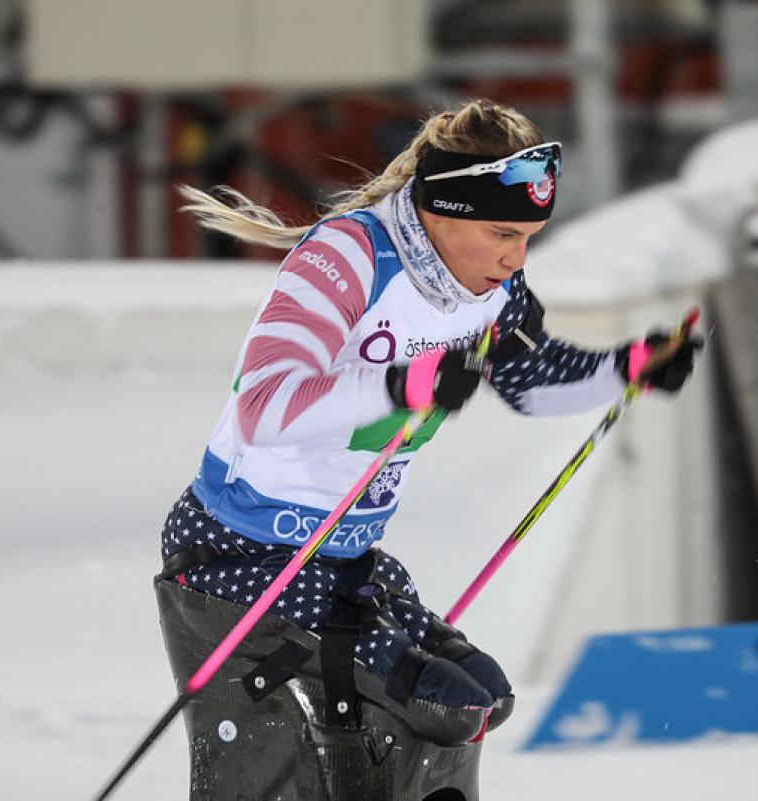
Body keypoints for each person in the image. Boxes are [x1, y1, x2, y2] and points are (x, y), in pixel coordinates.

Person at [158, 99, 700, 728]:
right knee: (448, 704)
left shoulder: (492, 292)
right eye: (503, 235)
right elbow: (264, 407)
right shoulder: (348, 256)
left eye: (528, 239)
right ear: (445, 209)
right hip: (239, 551)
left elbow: (532, 383)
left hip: (343, 559)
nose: (516, 260)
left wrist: (630, 369)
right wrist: (406, 383)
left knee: (485, 696)